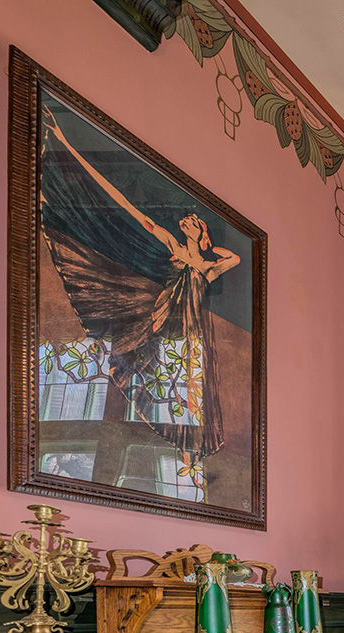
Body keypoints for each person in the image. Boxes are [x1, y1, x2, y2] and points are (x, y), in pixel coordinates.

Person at [40, 105, 241, 465]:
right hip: (161, 321)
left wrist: (207, 250)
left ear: (204, 232)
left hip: (190, 333)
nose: (188, 221)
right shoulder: (174, 248)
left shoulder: (208, 267)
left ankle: (190, 451)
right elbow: (125, 205)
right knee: (147, 372)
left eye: (196, 221)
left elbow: (235, 259)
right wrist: (64, 141)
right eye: (187, 220)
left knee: (191, 387)